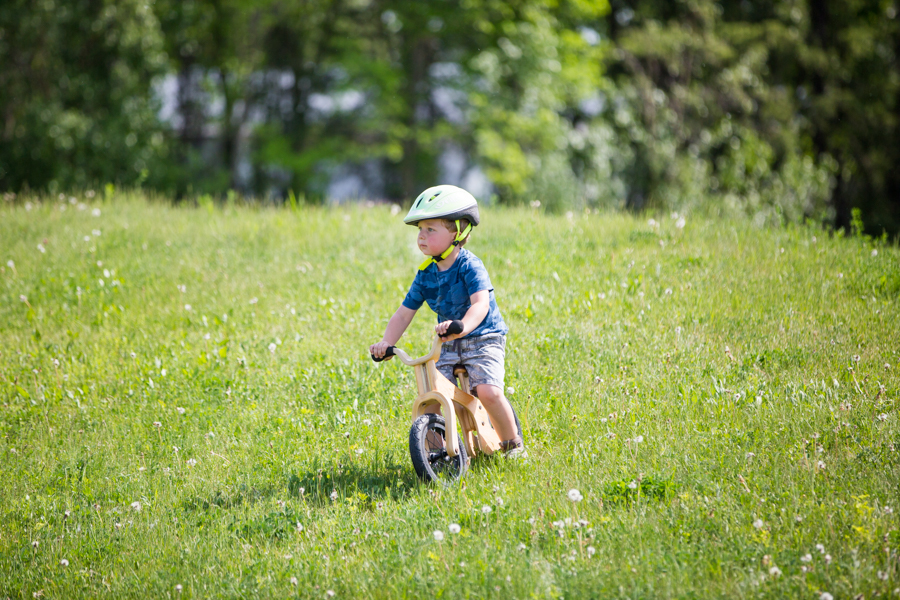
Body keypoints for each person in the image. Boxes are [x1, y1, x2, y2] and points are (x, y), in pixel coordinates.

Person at [369, 185, 526, 458]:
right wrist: (386, 343)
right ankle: (436, 455)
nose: (421, 236)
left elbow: (481, 304)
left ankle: (513, 445)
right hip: (448, 342)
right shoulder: (425, 274)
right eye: (420, 229)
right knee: (430, 395)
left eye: (431, 229)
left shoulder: (470, 266)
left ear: (458, 232)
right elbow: (404, 313)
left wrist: (462, 327)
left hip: (483, 336)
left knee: (487, 391)